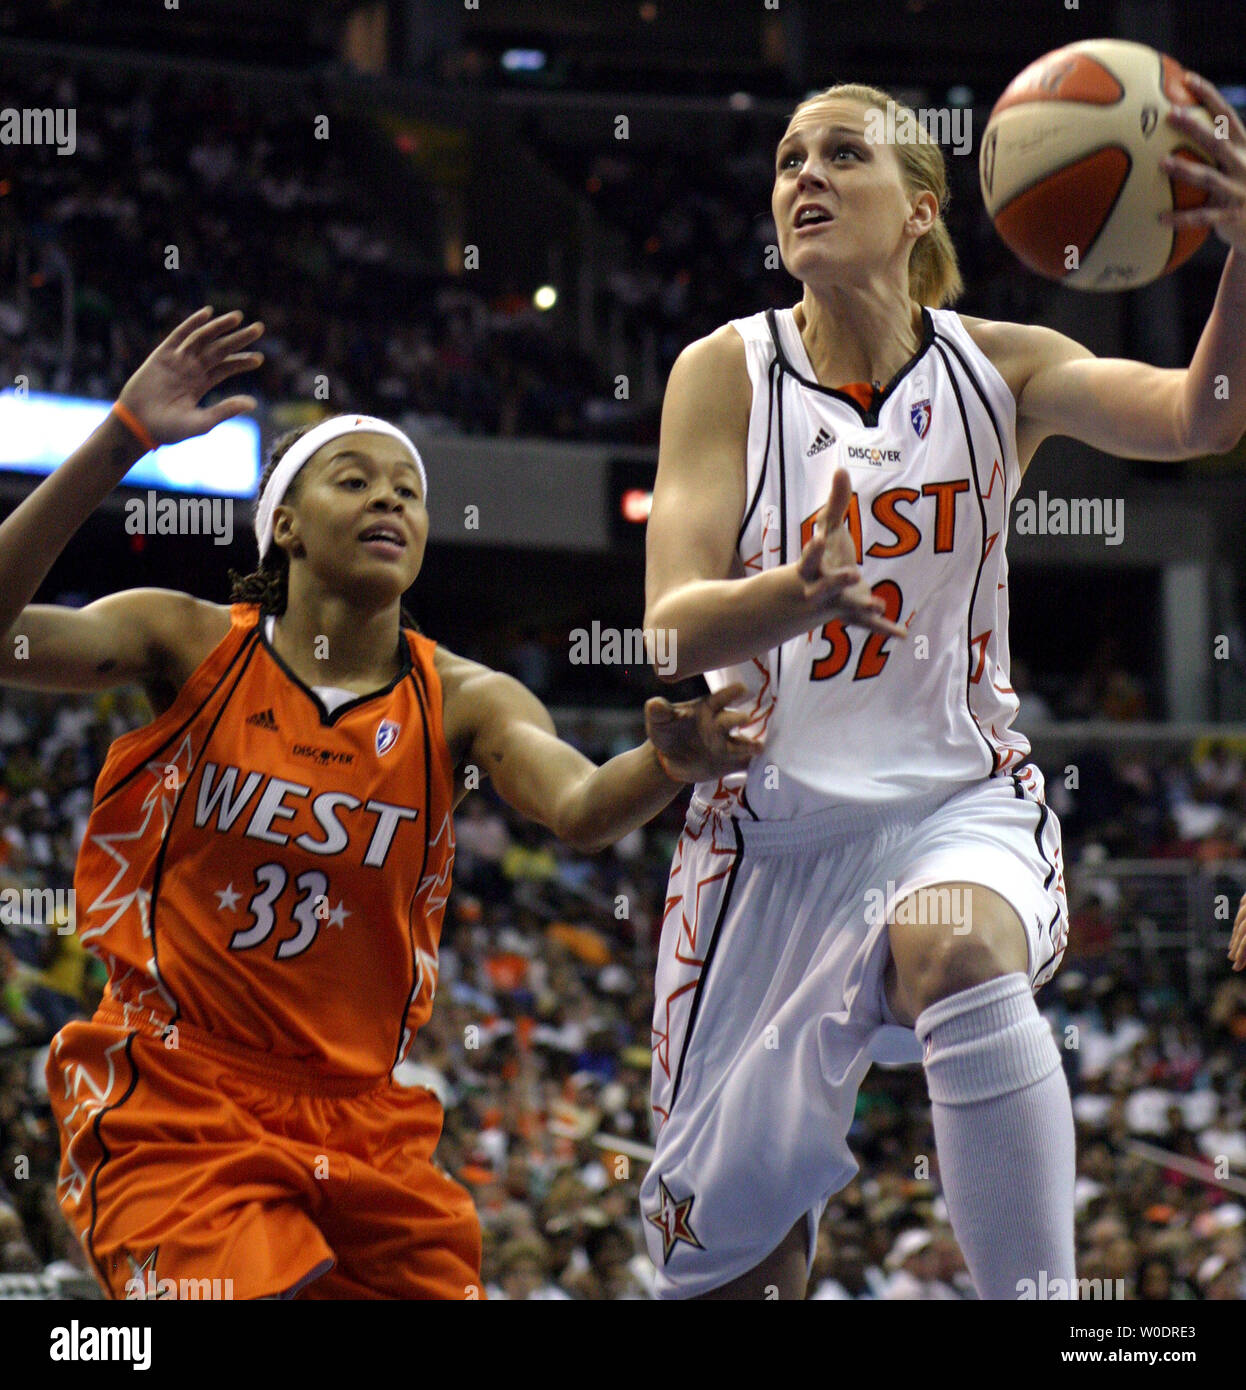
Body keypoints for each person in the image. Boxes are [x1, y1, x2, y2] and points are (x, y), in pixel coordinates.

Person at [0, 306, 761, 1300]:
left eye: (409, 491)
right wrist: (121, 438)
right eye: (354, 481)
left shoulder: (467, 699)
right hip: (176, 1085)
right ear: (284, 521)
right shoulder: (184, 640)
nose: (389, 502)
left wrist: (668, 761)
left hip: (359, 1114)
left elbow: (577, 806)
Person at [639, 75, 1246, 1299]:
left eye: (841, 154)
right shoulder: (725, 372)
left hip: (954, 804)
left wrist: (1244, 258)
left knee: (956, 951)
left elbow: (1201, 417)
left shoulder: (998, 370)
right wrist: (789, 597)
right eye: (788, 157)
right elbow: (666, 627)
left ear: (922, 208)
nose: (803, 175)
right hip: (766, 845)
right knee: (736, 1273)